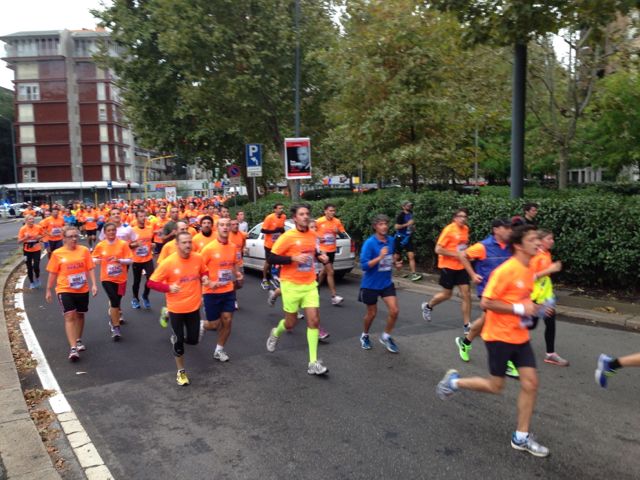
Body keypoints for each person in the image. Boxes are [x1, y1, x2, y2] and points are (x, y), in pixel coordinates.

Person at [436, 225, 551, 458]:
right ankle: (454, 382)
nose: (538, 244)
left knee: (531, 383)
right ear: (518, 245)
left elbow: (524, 301)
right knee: (495, 386)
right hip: (499, 337)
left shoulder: (528, 269)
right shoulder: (506, 271)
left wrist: (538, 309)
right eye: (532, 240)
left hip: (520, 336)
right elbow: (487, 303)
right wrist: (521, 307)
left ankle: (521, 437)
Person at [265, 203, 330, 375]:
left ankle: (313, 362)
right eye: (301, 214)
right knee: (290, 323)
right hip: (291, 284)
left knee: (314, 321)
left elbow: (314, 250)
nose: (305, 216)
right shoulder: (287, 237)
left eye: (307, 213)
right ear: (295, 218)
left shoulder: (313, 235)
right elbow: (271, 257)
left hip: (309, 284)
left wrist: (320, 256)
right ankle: (276, 332)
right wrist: (292, 258)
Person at [148, 232, 210, 386]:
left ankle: (167, 316)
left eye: (190, 242)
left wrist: (205, 277)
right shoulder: (169, 263)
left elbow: (204, 270)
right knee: (179, 342)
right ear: (177, 245)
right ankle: (181, 372)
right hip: (176, 308)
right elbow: (151, 283)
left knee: (194, 340)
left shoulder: (198, 258)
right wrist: (168, 287)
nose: (188, 245)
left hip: (194, 307)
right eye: (184, 242)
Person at [454, 218, 513, 365]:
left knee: (485, 321)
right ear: (496, 230)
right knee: (500, 322)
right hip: (488, 292)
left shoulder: (511, 246)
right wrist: (473, 275)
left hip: (506, 292)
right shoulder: (483, 246)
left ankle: (465, 342)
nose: (510, 231)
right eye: (507, 228)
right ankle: (506, 361)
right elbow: (462, 255)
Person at [45, 226, 98, 361]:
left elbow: (90, 268)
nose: (74, 239)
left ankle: (78, 339)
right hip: (64, 289)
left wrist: (94, 285)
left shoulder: (84, 251)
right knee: (69, 316)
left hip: (82, 289)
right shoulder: (57, 253)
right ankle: (73, 348)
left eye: (76, 236)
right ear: (64, 239)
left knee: (80, 315)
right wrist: (48, 290)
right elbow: (53, 273)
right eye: (70, 236)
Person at [199, 217, 243, 362]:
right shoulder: (209, 249)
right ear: (216, 228)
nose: (225, 227)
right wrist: (208, 282)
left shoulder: (232, 247)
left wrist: (237, 274)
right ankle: (202, 324)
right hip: (211, 292)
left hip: (228, 290)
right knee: (214, 324)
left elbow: (234, 263)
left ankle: (219, 350)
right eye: (222, 225)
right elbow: (198, 269)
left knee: (228, 321)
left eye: (227, 225)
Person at [421, 208, 472, 334]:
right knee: (447, 294)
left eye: (465, 216)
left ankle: (467, 325)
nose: (463, 218)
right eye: (460, 216)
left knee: (466, 294)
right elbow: (438, 249)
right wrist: (456, 254)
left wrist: (467, 253)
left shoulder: (465, 229)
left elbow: (463, 246)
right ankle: (428, 306)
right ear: (454, 218)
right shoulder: (449, 230)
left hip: (461, 266)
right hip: (448, 266)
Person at [358, 214, 403, 352]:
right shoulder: (369, 243)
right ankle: (365, 335)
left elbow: (390, 259)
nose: (384, 226)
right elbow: (364, 266)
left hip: (386, 283)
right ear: (375, 226)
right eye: (380, 224)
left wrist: (396, 263)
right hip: (370, 284)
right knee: (372, 314)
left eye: (385, 224)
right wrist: (380, 257)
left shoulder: (391, 240)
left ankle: (385, 336)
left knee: (394, 311)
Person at [530, 230, 567, 366]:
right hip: (534, 298)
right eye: (549, 239)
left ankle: (550, 354)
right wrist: (550, 270)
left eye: (552, 238)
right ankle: (508, 344)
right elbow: (531, 277)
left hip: (545, 297)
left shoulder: (546, 253)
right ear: (541, 240)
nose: (552, 241)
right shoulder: (536, 256)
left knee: (550, 322)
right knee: (530, 325)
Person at [92, 222, 133, 340]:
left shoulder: (123, 244)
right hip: (107, 278)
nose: (111, 232)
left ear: (116, 231)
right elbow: (93, 257)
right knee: (114, 300)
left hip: (121, 278)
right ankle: (116, 327)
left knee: (117, 301)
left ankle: (114, 314)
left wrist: (119, 260)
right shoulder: (101, 245)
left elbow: (130, 260)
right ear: (104, 233)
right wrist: (96, 260)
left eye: (113, 230)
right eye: (108, 230)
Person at [316, 204, 345, 305]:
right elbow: (310, 232)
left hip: (332, 250)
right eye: (330, 211)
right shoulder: (319, 221)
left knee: (324, 271)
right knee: (330, 272)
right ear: (325, 211)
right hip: (323, 251)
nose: (332, 213)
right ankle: (334, 296)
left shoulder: (337, 221)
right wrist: (318, 238)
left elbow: (343, 235)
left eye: (333, 211)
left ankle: (315, 288)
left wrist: (338, 232)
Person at [129, 210, 155, 310]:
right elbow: (129, 245)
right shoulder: (133, 230)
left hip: (148, 258)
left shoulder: (149, 229)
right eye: (140, 216)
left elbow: (150, 241)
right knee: (137, 281)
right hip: (136, 260)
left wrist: (153, 245)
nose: (143, 218)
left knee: (151, 279)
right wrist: (135, 244)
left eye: (144, 216)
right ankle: (135, 298)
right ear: (136, 218)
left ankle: (145, 296)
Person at [394, 200, 422, 282]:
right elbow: (396, 227)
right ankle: (398, 272)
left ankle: (413, 274)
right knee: (397, 256)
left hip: (408, 237)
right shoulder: (400, 215)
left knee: (411, 256)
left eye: (410, 205)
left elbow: (412, 226)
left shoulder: (411, 214)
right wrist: (407, 224)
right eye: (408, 205)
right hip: (400, 238)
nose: (409, 207)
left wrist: (413, 227)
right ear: (403, 206)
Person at [260, 203, 286, 290]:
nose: (281, 210)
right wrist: (274, 231)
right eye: (279, 208)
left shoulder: (283, 217)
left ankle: (275, 278)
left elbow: (282, 229)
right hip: (269, 244)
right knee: (268, 262)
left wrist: (282, 231)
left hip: (278, 244)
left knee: (278, 262)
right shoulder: (269, 217)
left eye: (282, 208)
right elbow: (263, 230)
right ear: (275, 209)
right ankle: (264, 279)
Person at [18, 215, 44, 289]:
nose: (32, 220)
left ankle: (37, 277)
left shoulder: (38, 227)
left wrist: (39, 237)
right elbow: (19, 241)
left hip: (36, 249)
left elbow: (43, 235)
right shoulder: (23, 229)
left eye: (33, 219)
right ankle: (32, 282)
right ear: (26, 221)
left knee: (36, 266)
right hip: (27, 251)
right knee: (29, 267)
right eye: (30, 219)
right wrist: (26, 237)